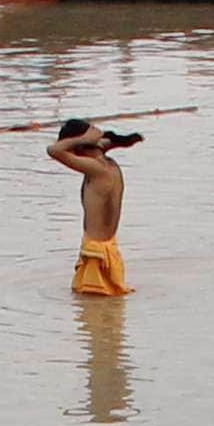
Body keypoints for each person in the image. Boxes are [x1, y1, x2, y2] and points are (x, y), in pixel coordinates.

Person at [52, 120, 140, 298]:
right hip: (110, 251)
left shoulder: (96, 169)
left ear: (79, 149)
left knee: (92, 317)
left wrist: (85, 138)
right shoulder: (109, 165)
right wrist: (95, 138)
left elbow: (53, 150)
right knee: (110, 318)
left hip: (95, 255)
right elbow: (105, 144)